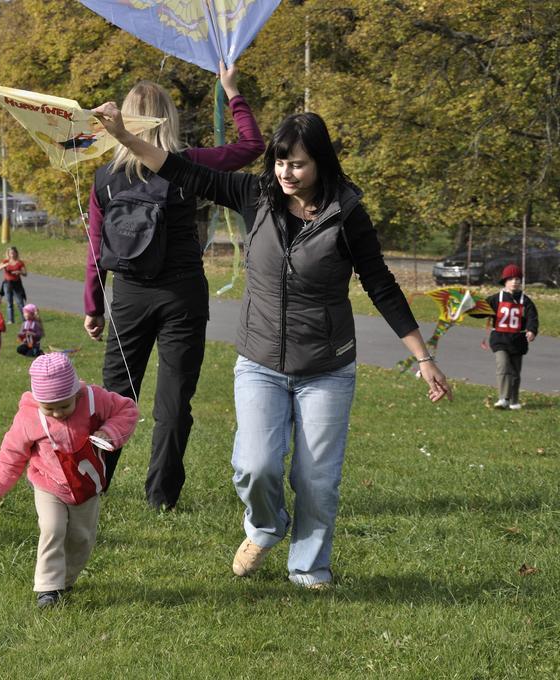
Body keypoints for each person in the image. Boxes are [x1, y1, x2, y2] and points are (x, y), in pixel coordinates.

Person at [94, 98, 453, 589]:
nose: (286, 171)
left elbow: (380, 282)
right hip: (261, 361)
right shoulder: (252, 194)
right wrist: (127, 137)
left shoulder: (346, 212)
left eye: (298, 162)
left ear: (320, 162)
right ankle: (265, 527)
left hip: (326, 366)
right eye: (280, 160)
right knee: (254, 465)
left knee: (316, 480)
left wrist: (423, 357)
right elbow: (179, 169)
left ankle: (309, 567)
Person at [82, 62, 264, 510]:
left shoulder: (105, 176)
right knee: (174, 401)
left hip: (127, 296)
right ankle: (161, 497)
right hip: (182, 294)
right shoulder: (189, 164)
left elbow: (94, 245)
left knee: (114, 398)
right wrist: (231, 91)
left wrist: (93, 305)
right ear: (168, 118)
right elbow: (251, 147)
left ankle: (95, 485)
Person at [0, 352, 139, 608]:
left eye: (64, 406)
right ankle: (48, 588)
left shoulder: (93, 400)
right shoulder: (29, 416)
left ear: (76, 393)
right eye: (49, 408)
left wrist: (110, 432)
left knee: (81, 537)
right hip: (48, 484)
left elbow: (127, 410)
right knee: (52, 528)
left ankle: (66, 579)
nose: (57, 413)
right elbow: (12, 451)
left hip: (86, 485)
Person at [481, 264, 538, 410]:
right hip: (500, 339)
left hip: (517, 341)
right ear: (504, 281)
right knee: (503, 365)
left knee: (515, 373)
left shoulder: (525, 301)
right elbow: (482, 311)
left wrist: (531, 330)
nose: (515, 281)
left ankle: (513, 400)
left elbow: (533, 317)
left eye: (518, 278)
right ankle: (503, 399)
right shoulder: (495, 299)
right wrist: (469, 308)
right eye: (511, 278)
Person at [0, 246, 27, 324]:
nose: (12, 254)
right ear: (8, 254)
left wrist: (19, 272)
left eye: (13, 252)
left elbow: (25, 273)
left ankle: (25, 319)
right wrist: (4, 265)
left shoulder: (20, 262)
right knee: (9, 303)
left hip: (17, 284)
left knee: (20, 302)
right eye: (10, 253)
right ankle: (10, 320)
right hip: (7, 284)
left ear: (16, 253)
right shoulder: (5, 261)